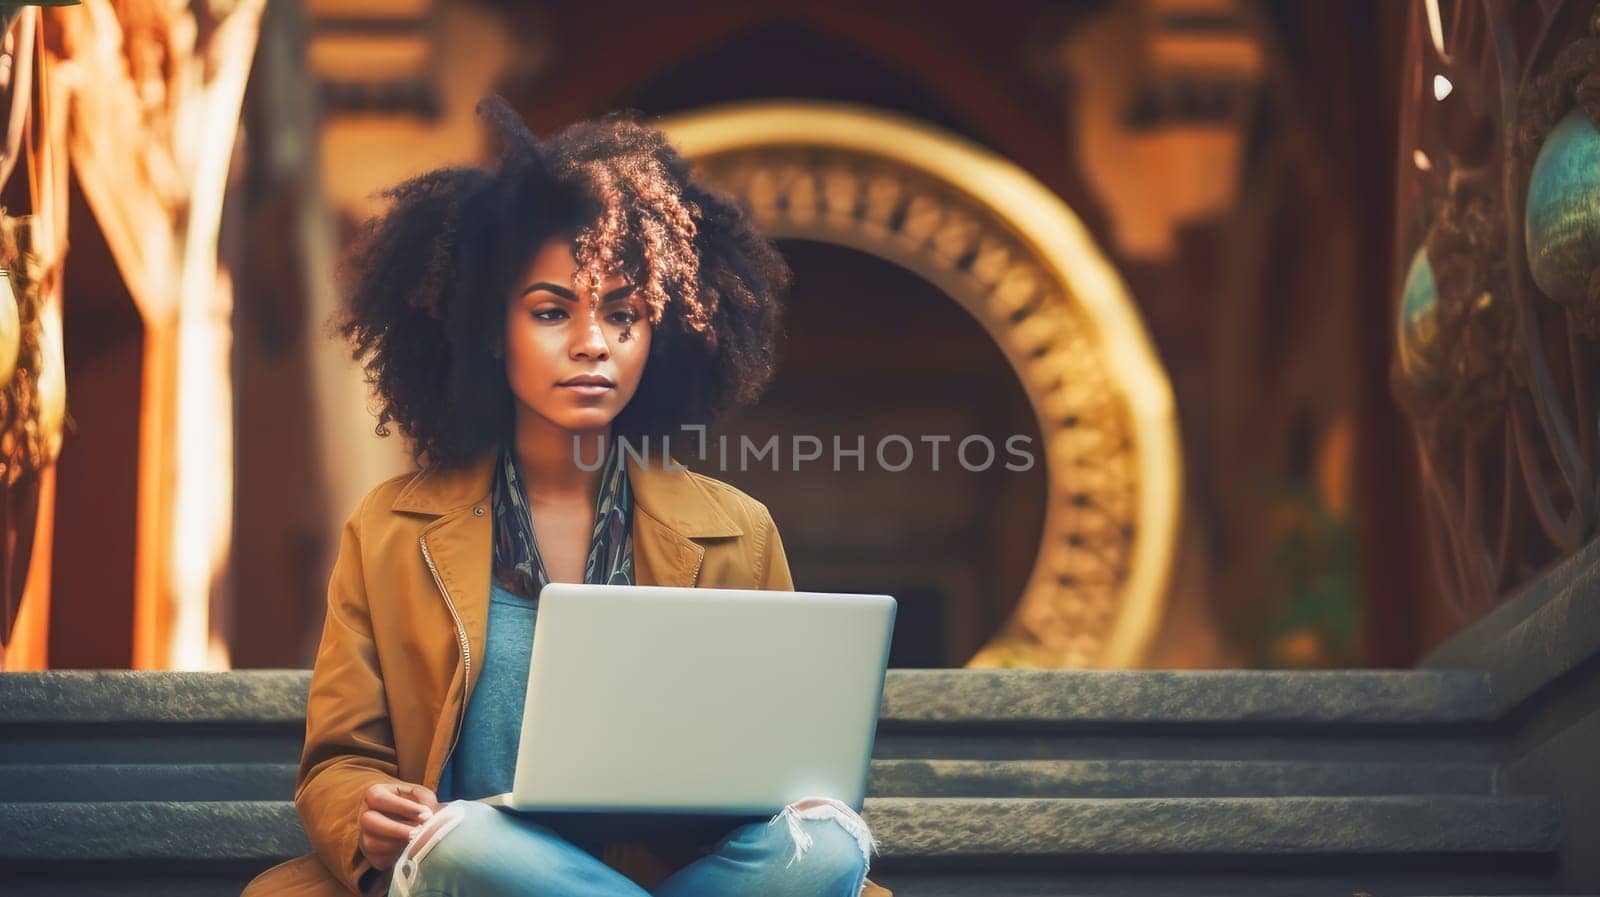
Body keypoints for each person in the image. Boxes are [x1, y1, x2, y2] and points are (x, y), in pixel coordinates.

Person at [239, 96, 891, 897]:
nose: (592, 342)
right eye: (552, 311)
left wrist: (802, 803)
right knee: (456, 839)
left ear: (664, 330)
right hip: (485, 870)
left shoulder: (735, 530)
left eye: (623, 313)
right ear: (486, 328)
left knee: (832, 845)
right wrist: (363, 808)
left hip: (679, 872)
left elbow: (781, 767)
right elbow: (340, 761)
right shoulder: (390, 530)